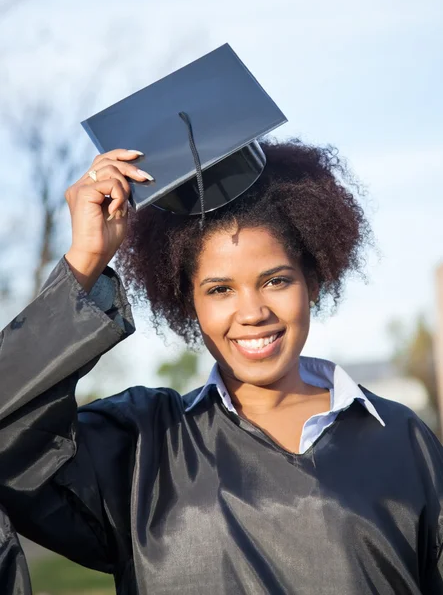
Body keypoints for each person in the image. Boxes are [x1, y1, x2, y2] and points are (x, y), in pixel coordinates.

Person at [1, 141, 443, 595]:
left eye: (275, 280)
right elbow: (8, 436)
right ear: (187, 302)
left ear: (312, 281)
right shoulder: (141, 445)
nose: (251, 312)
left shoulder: (405, 439)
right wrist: (86, 260)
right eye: (219, 290)